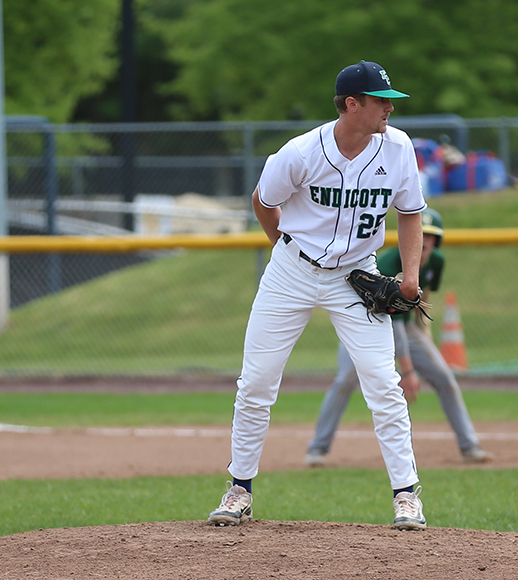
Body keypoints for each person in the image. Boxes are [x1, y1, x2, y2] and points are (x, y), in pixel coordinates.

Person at [207, 61, 427, 531]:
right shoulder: (301, 152)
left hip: (357, 277)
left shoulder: (398, 147)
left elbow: (410, 213)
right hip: (292, 271)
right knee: (257, 382)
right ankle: (239, 489)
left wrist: (410, 277)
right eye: (380, 99)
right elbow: (263, 202)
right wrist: (285, 253)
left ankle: (407, 495)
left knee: (384, 385)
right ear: (352, 104)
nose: (390, 107)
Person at [305, 209, 492, 466]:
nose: (425, 240)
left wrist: (423, 331)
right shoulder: (391, 262)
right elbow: (394, 320)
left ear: (438, 241)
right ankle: (317, 448)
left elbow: (422, 296)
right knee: (346, 380)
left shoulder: (436, 261)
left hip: (404, 325)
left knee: (444, 378)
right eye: (421, 234)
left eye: (431, 236)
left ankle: (469, 446)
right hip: (363, 321)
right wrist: (408, 371)